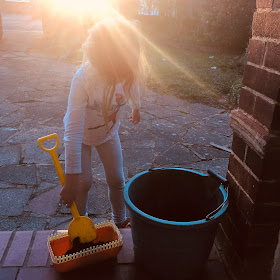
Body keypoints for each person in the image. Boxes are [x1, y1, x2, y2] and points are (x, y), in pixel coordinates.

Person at [60, 17, 146, 228]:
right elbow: (73, 133)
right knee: (83, 182)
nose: (120, 77)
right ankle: (82, 225)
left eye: (125, 70)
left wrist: (136, 107)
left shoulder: (127, 71)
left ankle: (119, 220)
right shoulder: (83, 80)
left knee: (117, 179)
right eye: (114, 73)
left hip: (108, 134)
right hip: (82, 137)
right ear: (101, 61)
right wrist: (70, 180)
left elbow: (132, 87)